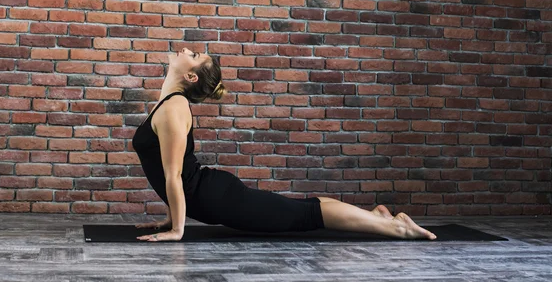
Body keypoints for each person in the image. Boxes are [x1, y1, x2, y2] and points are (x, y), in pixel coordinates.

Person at [131, 48, 437, 242]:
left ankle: (399, 229)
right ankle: (375, 217)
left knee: (304, 216)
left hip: (218, 198)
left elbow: (174, 176)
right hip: (212, 193)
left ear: (190, 75)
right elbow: (174, 170)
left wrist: (178, 230)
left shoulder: (173, 107)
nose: (186, 49)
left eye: (194, 54)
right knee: (302, 208)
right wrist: (172, 218)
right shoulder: (170, 103)